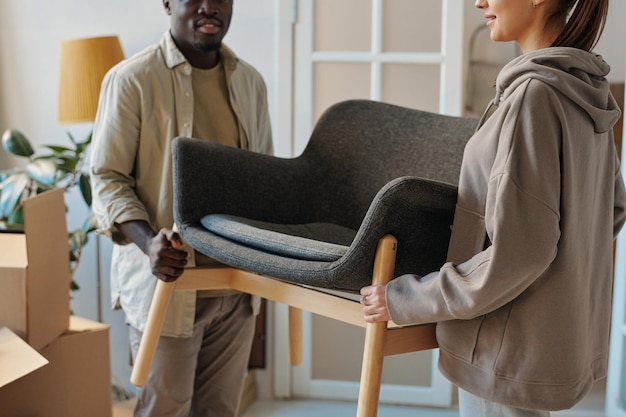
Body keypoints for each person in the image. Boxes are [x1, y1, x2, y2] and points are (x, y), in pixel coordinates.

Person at [360, 0, 626, 415]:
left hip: (502, 358)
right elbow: (612, 208)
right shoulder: (588, 91)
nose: (479, 2)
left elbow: (518, 253)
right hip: (543, 348)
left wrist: (407, 298)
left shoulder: (533, 98)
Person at [90, 0, 273, 416]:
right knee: (164, 411)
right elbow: (106, 177)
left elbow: (265, 180)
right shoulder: (131, 80)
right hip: (167, 290)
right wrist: (147, 242)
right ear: (168, 3)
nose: (209, 7)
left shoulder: (250, 83)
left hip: (236, 290)